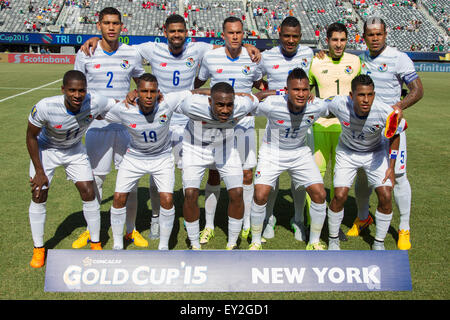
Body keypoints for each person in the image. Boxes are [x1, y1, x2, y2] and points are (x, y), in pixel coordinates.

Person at [80, 14, 260, 241]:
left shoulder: (198, 49)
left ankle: (190, 220)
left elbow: (228, 43)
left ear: (187, 33)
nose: (176, 35)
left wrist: (248, 45)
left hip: (188, 123)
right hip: (160, 119)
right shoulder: (150, 49)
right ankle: (157, 218)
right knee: (157, 176)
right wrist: (96, 39)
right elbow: (119, 47)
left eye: (181, 31)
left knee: (189, 177)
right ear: (165, 32)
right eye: (172, 31)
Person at [102, 73, 206, 250]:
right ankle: (118, 244)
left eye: (152, 91)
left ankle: (163, 246)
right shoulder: (124, 108)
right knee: (119, 197)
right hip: (134, 157)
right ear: (136, 92)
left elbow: (194, 92)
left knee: (167, 198)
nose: (148, 96)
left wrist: (232, 94)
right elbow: (99, 111)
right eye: (144, 91)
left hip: (162, 157)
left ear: (159, 92)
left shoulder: (167, 102)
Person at [26, 70, 117, 268]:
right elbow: (31, 136)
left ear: (86, 90)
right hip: (47, 149)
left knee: (89, 191)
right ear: (63, 90)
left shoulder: (95, 101)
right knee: (39, 193)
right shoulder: (45, 106)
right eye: (72, 90)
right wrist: (40, 172)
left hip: (74, 149)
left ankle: (95, 243)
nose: (77, 95)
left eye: (81, 90)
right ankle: (39, 249)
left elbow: (116, 104)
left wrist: (131, 97)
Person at [73, 7, 146, 249]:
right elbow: (76, 85)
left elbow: (142, 82)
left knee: (131, 181)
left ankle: (130, 230)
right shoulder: (86, 53)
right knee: (96, 180)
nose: (111, 27)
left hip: (126, 127)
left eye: (115, 23)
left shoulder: (131, 53)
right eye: (107, 23)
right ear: (99, 26)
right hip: (97, 126)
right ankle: (91, 230)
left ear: (121, 26)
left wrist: (136, 91)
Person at [354, 17, 423, 250]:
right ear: (364, 37)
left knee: (399, 176)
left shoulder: (398, 57)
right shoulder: (360, 59)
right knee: (362, 174)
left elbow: (417, 90)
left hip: (391, 129)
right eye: (370, 34)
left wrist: (398, 108)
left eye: (379, 34)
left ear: (386, 34)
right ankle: (364, 217)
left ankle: (404, 228)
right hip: (366, 129)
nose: (375, 38)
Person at [194, 16, 262, 245]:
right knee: (214, 174)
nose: (235, 37)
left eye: (239, 33)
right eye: (231, 33)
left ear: (244, 34)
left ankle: (245, 226)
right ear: (222, 35)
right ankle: (210, 225)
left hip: (244, 126)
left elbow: (260, 87)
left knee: (247, 175)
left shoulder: (253, 58)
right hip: (217, 127)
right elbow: (198, 84)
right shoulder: (210, 57)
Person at [249, 68, 329, 250]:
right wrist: (267, 92)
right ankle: (255, 241)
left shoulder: (317, 106)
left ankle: (314, 241)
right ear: (286, 90)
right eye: (295, 90)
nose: (300, 94)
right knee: (260, 194)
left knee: (320, 194)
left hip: (300, 152)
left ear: (309, 91)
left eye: (304, 90)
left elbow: (335, 108)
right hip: (272, 152)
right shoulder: (272, 105)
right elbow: (249, 103)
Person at [326, 74, 406, 251]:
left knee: (385, 195)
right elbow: (320, 105)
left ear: (374, 95)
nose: (366, 99)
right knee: (339, 195)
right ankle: (333, 240)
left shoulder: (385, 112)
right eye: (361, 95)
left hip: (375, 154)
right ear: (351, 95)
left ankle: (378, 243)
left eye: (370, 95)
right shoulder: (339, 104)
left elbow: (396, 135)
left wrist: (391, 168)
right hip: (347, 153)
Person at [255, 16, 314, 243]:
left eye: (295, 37)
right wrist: (271, 93)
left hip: (302, 126)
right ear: (279, 36)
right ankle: (269, 218)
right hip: (276, 125)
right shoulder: (267, 57)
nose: (291, 41)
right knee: (273, 178)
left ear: (300, 37)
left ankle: (298, 219)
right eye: (286, 36)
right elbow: (256, 80)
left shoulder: (309, 54)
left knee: (299, 178)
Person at [180, 82, 259, 250]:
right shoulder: (191, 105)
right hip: (195, 147)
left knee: (237, 193)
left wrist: (245, 95)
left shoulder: (242, 105)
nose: (225, 110)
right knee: (190, 194)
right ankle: (194, 245)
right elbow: (170, 100)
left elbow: (255, 99)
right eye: (220, 104)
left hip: (225, 147)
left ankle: (232, 244)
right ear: (210, 102)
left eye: (229, 105)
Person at [307, 22, 361, 241]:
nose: (339, 44)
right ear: (327, 41)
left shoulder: (355, 62)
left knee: (340, 178)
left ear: (347, 41)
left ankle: (334, 225)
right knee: (316, 176)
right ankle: (315, 224)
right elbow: (305, 90)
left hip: (345, 130)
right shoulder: (316, 61)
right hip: (319, 126)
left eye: (342, 40)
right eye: (334, 40)